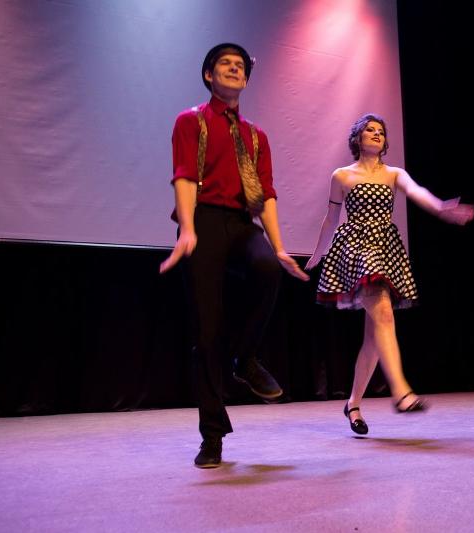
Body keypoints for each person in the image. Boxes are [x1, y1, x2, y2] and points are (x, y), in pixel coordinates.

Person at [160, 43, 309, 468]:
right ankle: (212, 437)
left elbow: (265, 194)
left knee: (267, 267)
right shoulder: (191, 121)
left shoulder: (256, 136)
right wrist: (188, 227)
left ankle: (245, 358)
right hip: (203, 220)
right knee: (206, 335)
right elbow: (184, 175)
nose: (233, 69)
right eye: (224, 64)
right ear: (209, 75)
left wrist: (279, 247)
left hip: (241, 222)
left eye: (240, 65)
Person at [305, 113, 474, 435]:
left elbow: (418, 192)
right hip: (357, 248)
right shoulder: (342, 176)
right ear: (357, 139)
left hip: (386, 247)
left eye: (380, 131)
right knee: (383, 314)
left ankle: (353, 403)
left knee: (373, 337)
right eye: (369, 130)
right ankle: (401, 392)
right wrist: (318, 252)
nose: (376, 134)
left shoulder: (394, 174)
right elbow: (331, 219)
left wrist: (441, 208)